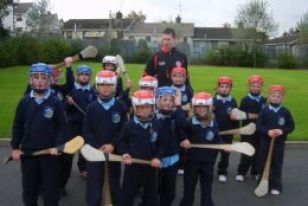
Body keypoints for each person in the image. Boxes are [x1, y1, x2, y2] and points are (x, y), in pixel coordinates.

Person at [11, 63, 67, 206]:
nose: (40, 81)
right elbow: (17, 126)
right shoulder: (24, 102)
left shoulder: (55, 102)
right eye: (36, 77)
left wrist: (58, 145)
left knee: (50, 191)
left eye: (44, 77)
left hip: (50, 154)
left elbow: (62, 126)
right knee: (29, 190)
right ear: (31, 80)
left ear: (49, 80)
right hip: (28, 154)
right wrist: (15, 147)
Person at [83, 70, 128, 206]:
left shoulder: (120, 106)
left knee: (114, 186)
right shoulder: (91, 108)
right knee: (94, 188)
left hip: (113, 153)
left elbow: (123, 130)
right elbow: (86, 130)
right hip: (95, 154)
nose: (106, 87)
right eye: (102, 84)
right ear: (97, 86)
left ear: (114, 86)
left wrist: (113, 145)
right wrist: (97, 148)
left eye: (109, 84)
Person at [118, 90, 164, 206]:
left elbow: (161, 144)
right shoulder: (129, 126)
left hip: (150, 166)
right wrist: (125, 153)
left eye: (147, 107)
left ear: (152, 107)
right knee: (127, 196)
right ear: (135, 107)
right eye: (140, 108)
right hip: (132, 165)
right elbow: (121, 143)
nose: (144, 111)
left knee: (151, 197)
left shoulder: (157, 124)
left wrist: (158, 157)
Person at [180, 92, 221, 206]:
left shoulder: (214, 123)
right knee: (189, 186)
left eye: (204, 107)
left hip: (208, 162)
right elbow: (181, 133)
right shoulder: (189, 122)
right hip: (191, 161)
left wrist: (224, 146)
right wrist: (184, 139)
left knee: (207, 187)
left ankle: (207, 203)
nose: (201, 109)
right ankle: (187, 203)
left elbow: (217, 139)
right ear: (194, 107)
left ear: (209, 108)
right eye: (198, 107)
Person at [257, 85, 295, 195]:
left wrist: (282, 131)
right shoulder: (264, 111)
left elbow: (291, 126)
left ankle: (275, 185)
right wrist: (268, 132)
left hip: (278, 143)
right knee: (263, 162)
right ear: (269, 96)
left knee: (277, 163)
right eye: (273, 96)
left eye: (279, 96)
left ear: (283, 98)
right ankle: (262, 182)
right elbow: (259, 126)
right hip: (265, 142)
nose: (275, 98)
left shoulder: (285, 112)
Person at [155, 86, 187, 206]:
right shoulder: (153, 117)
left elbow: (182, 124)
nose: (168, 103)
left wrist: (178, 106)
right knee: (154, 189)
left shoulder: (175, 116)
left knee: (169, 192)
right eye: (164, 100)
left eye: (171, 100)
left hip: (172, 160)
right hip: (156, 159)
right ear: (158, 101)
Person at [66, 65, 97, 177]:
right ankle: (64, 171)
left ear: (90, 77)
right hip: (72, 124)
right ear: (77, 76)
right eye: (81, 75)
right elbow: (64, 109)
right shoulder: (71, 90)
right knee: (70, 148)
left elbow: (94, 107)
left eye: (86, 75)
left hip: (86, 125)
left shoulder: (93, 92)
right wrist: (68, 103)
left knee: (85, 148)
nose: (84, 77)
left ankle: (82, 168)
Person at [235, 75, 267, 182]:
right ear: (249, 86)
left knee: (258, 153)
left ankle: (255, 172)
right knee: (246, 151)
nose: (256, 88)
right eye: (253, 86)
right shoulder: (245, 100)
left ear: (261, 87)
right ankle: (241, 172)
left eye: (258, 86)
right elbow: (241, 114)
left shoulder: (264, 100)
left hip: (259, 131)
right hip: (247, 131)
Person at [213, 76, 239, 182]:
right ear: (218, 88)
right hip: (214, 133)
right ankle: (207, 170)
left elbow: (236, 117)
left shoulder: (233, 102)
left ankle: (222, 172)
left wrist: (236, 128)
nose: (224, 89)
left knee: (225, 155)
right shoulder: (213, 101)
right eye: (222, 86)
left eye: (227, 87)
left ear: (230, 89)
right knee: (211, 153)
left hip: (228, 133)